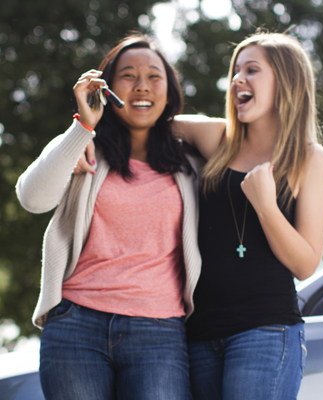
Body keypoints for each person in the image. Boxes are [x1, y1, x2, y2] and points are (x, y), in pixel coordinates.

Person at [15, 34, 201, 400]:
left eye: (153, 76)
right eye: (128, 76)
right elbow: (32, 199)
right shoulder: (80, 146)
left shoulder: (191, 163)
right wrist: (83, 127)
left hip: (158, 331)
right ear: (108, 87)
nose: (141, 86)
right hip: (75, 325)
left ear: (169, 90)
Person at [174, 31, 323, 399]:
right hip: (199, 336)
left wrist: (266, 205)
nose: (237, 80)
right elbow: (147, 124)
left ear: (286, 82)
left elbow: (306, 263)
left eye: (252, 70)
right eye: (235, 71)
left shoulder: (310, 160)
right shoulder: (216, 138)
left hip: (266, 333)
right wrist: (89, 141)